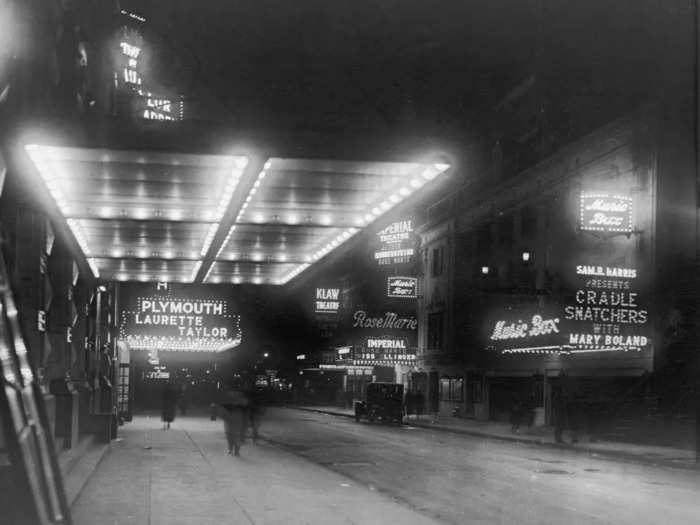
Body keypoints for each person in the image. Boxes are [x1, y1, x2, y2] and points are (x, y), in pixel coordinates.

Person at [219, 379, 249, 456]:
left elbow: (223, 406)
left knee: (229, 433)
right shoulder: (241, 395)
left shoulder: (227, 395)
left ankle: (231, 448)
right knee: (236, 434)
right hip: (237, 417)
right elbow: (245, 405)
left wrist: (223, 415)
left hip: (230, 416)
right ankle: (236, 450)